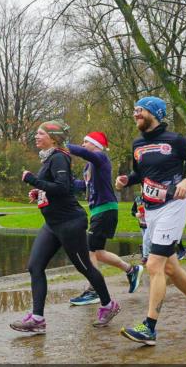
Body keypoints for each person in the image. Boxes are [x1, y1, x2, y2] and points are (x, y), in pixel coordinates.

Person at [115, 97, 186, 346]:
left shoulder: (175, 140)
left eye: (139, 110)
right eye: (134, 110)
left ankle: (149, 327)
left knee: (154, 265)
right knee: (169, 267)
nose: (135, 114)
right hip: (151, 210)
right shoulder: (137, 144)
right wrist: (128, 179)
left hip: (173, 207)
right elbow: (143, 174)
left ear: (154, 113)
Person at [10, 120, 119, 334]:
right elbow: (60, 187)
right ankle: (38, 319)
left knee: (84, 266)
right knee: (35, 266)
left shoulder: (59, 157)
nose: (36, 136)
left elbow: (62, 188)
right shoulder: (49, 158)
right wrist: (39, 192)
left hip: (70, 223)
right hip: (52, 224)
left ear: (53, 137)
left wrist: (33, 181)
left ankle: (108, 305)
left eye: (40, 133)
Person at [67, 131, 143, 311]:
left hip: (105, 209)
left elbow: (85, 153)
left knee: (88, 249)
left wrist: (64, 145)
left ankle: (94, 289)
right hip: (98, 211)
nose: (83, 144)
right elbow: (82, 186)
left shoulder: (100, 157)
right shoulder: (88, 168)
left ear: (96, 145)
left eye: (86, 141)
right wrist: (65, 180)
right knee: (98, 252)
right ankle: (131, 270)